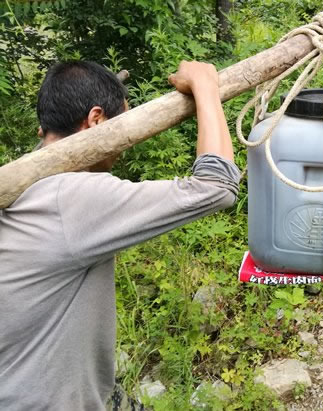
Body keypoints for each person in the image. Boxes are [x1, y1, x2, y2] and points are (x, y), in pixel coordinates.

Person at [0, 60, 240, 409]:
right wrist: (205, 86)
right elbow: (217, 186)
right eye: (123, 126)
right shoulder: (71, 198)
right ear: (96, 120)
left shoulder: (26, 183)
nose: (126, 144)